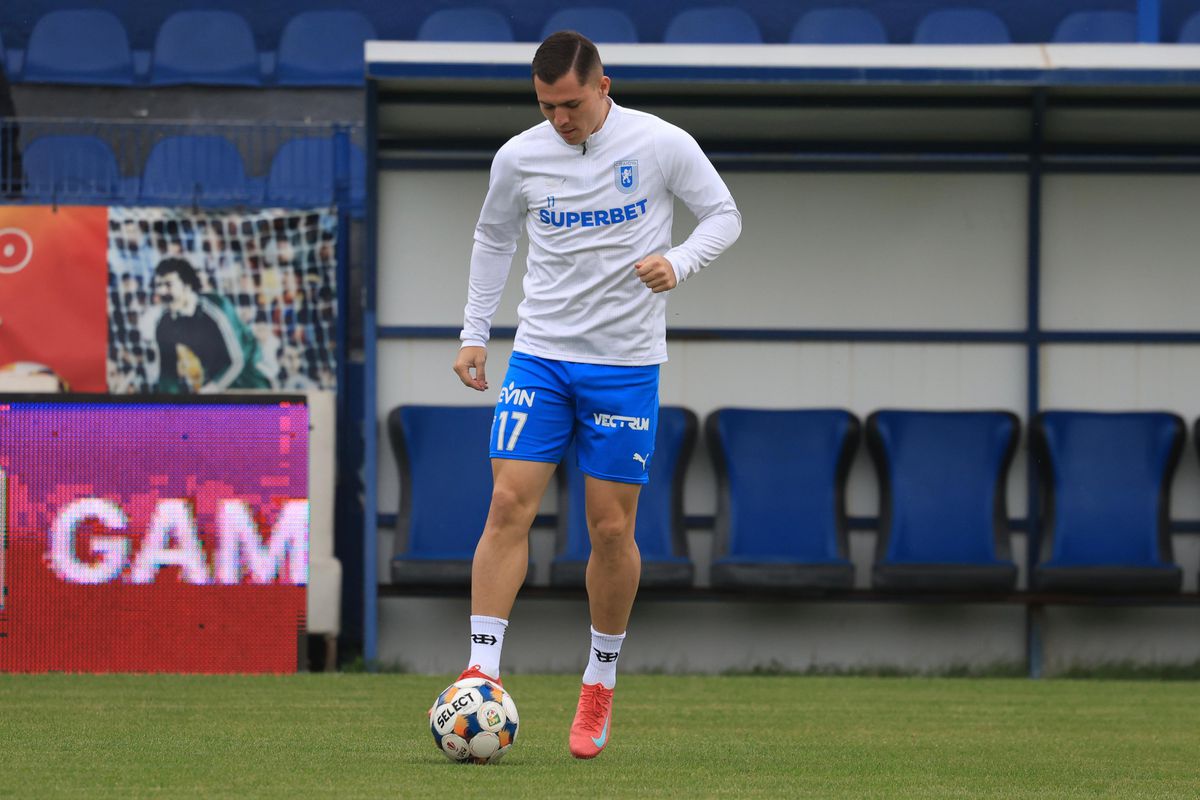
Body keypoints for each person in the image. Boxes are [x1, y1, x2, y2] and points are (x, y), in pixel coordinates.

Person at [451, 31, 741, 759]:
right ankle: (481, 674)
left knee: (610, 528)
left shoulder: (660, 142)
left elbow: (725, 216)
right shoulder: (519, 156)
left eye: (571, 104)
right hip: (541, 358)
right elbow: (493, 240)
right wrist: (473, 333)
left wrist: (679, 261)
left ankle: (600, 678)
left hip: (623, 364)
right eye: (546, 106)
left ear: (603, 85)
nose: (560, 120)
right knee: (506, 503)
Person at [151, 257, 271, 393]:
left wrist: (211, 389)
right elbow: (167, 374)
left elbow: (238, 360)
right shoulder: (165, 324)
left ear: (187, 285)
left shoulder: (215, 307)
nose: (161, 291)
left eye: (168, 285)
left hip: (249, 372)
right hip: (215, 376)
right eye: (158, 285)